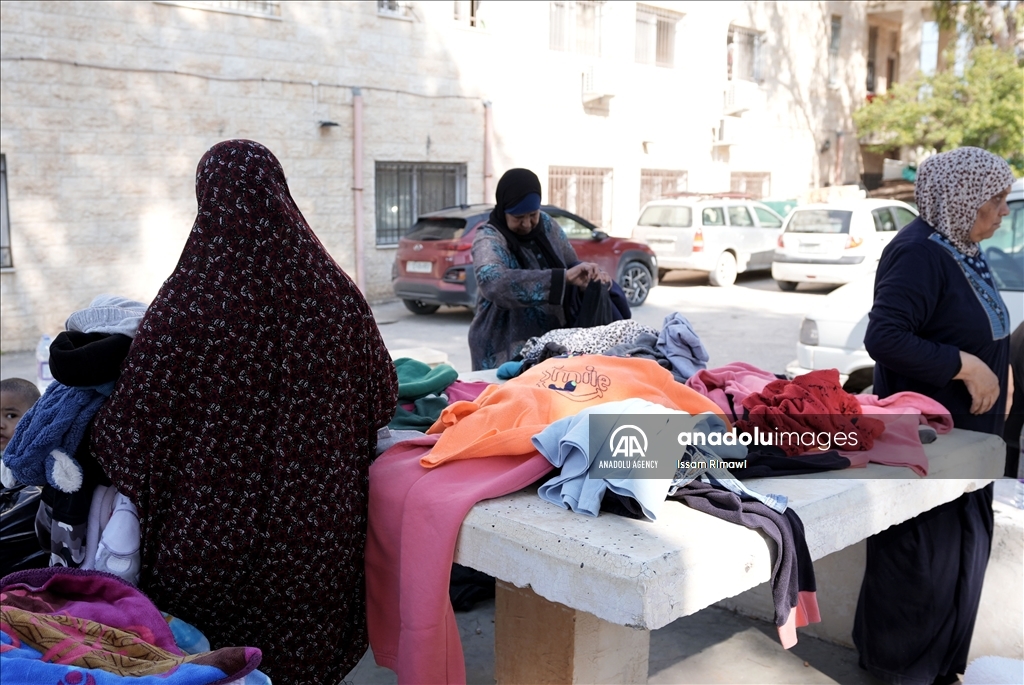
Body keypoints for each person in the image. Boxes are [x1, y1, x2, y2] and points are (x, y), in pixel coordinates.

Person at [89, 140, 399, 685]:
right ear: (280, 192)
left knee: (218, 668)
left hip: (204, 544)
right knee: (304, 664)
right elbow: (380, 398)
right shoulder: (336, 298)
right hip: (315, 540)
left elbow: (130, 432)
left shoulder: (184, 306)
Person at [855, 147, 1016, 685]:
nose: (1003, 213)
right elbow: (885, 337)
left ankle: (938, 670)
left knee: (960, 556)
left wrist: (1001, 365)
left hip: (969, 441)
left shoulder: (961, 246)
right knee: (921, 562)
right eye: (995, 202)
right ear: (963, 199)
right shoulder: (920, 253)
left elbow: (970, 320)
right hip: (929, 444)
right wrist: (965, 366)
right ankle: (898, 673)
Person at [467, 168, 611, 370]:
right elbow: (494, 282)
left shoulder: (546, 224)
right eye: (518, 218)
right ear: (504, 210)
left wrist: (587, 275)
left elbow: (570, 263)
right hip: (501, 345)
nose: (527, 224)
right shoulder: (489, 238)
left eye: (532, 215)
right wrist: (561, 279)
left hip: (549, 342)